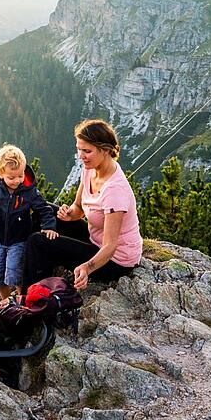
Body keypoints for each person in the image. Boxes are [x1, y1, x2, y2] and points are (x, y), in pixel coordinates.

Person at [20, 119, 143, 293]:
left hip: (115, 261)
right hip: (95, 240)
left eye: (87, 151)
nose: (81, 156)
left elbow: (110, 246)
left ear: (106, 150)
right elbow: (78, 208)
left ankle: (30, 299)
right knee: (44, 212)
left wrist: (87, 267)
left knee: (37, 242)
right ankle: (37, 274)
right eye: (79, 149)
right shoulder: (90, 169)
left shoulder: (115, 190)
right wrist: (69, 214)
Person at [0, 143, 57, 300]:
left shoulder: (29, 191)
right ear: (0, 173)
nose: (16, 181)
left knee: (15, 272)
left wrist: (49, 227)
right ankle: (6, 300)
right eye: (11, 177)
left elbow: (44, 209)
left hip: (19, 239)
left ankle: (21, 298)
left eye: (20, 176)